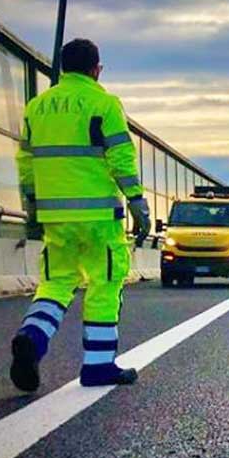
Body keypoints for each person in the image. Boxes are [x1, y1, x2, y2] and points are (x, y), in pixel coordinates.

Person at [10, 38, 152, 390]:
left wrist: (31, 207)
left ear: (62, 67)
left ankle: (33, 336)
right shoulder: (104, 103)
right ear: (96, 69)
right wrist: (138, 202)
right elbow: (120, 158)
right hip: (99, 217)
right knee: (104, 284)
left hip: (55, 218)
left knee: (56, 283)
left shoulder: (36, 107)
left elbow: (26, 163)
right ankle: (98, 366)